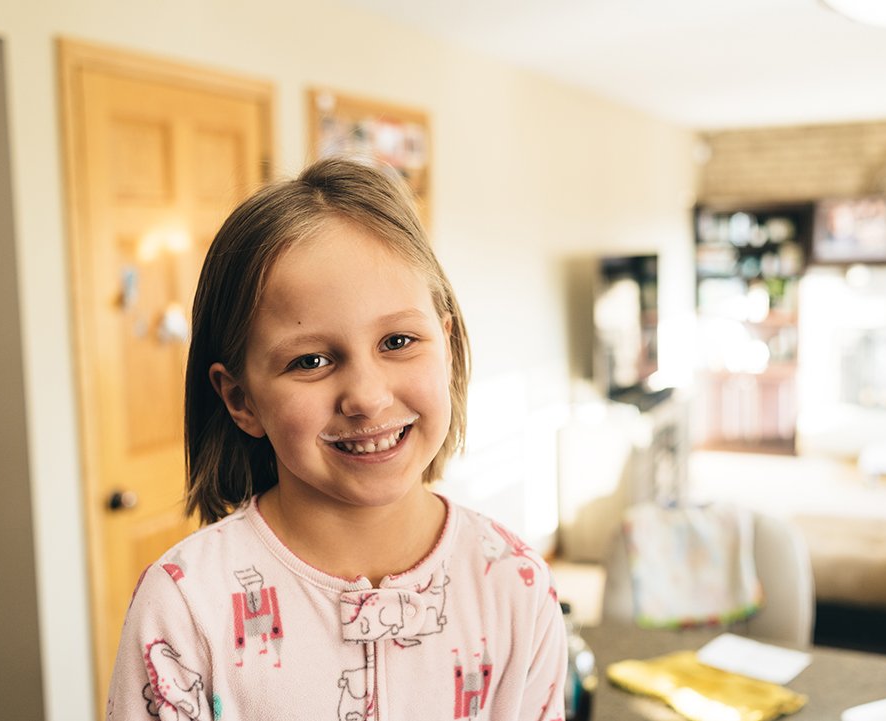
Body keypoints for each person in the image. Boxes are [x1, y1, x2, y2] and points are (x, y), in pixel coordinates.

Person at [106, 156, 567, 720]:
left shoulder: (513, 586)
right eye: (312, 360)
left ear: (445, 346)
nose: (367, 397)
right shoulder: (183, 606)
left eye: (398, 341)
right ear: (240, 399)